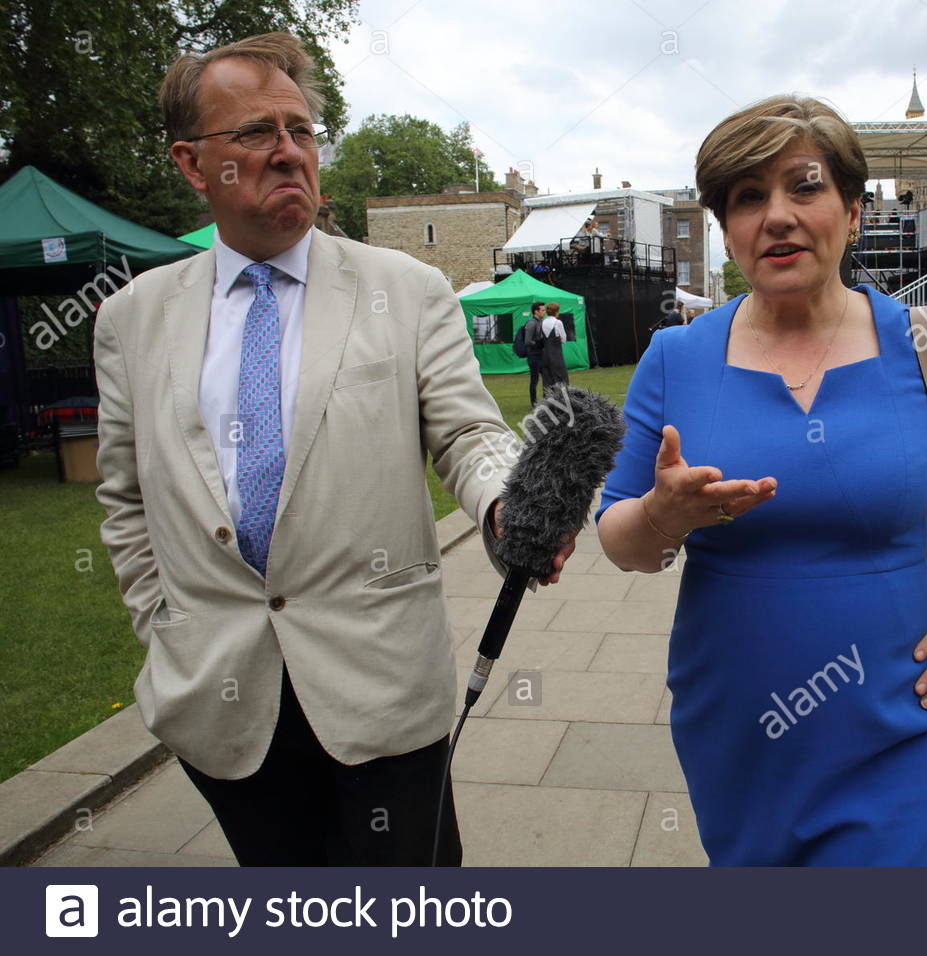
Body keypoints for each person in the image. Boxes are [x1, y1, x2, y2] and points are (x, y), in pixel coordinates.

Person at [92, 32, 575, 867]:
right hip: (223, 701)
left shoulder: (405, 290)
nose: (287, 152)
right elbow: (126, 498)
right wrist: (164, 627)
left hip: (382, 693)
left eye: (301, 131)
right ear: (192, 164)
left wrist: (505, 505)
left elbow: (467, 433)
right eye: (255, 133)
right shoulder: (132, 319)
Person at [595, 94, 927, 866]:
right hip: (737, 740)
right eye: (748, 198)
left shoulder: (925, 348)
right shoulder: (675, 360)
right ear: (727, 226)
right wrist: (664, 516)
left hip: (897, 730)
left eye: (802, 187)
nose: (776, 216)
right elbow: (620, 540)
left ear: (852, 210)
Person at [538, 301, 569, 388]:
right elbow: (564, 339)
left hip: (545, 355)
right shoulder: (558, 322)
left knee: (547, 382)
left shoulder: (542, 322)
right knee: (561, 379)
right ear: (556, 312)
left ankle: (548, 401)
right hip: (556, 355)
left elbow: (541, 338)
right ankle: (562, 400)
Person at [524, 301, 546, 405]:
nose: (544, 312)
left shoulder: (540, 322)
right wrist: (537, 344)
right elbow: (527, 341)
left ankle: (546, 400)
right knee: (534, 380)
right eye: (542, 310)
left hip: (541, 355)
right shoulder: (531, 323)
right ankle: (533, 403)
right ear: (536, 311)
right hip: (533, 356)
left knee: (546, 377)